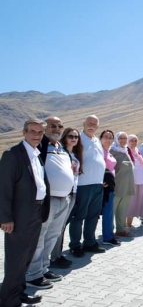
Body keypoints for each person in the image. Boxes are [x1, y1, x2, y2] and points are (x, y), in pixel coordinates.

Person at [0, 119, 50, 306]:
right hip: (19, 216)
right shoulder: (12, 155)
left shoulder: (37, 154)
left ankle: (18, 294)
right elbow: (3, 189)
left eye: (40, 132)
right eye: (33, 131)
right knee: (15, 260)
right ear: (24, 132)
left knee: (26, 258)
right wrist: (5, 217)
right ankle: (8, 300)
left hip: (36, 213)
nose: (37, 135)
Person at [25, 117, 74, 289]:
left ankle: (43, 269)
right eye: (52, 125)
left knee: (53, 236)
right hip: (47, 200)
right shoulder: (41, 145)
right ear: (45, 128)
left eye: (60, 126)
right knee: (40, 237)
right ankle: (32, 275)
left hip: (64, 199)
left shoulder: (61, 147)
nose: (57, 128)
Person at [69, 115, 106, 257]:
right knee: (79, 216)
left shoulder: (96, 140)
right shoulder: (77, 138)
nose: (92, 125)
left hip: (97, 183)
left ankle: (89, 242)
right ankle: (75, 245)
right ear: (83, 124)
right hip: (83, 184)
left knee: (93, 215)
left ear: (97, 126)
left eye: (95, 123)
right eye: (89, 122)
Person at [50, 127, 83, 268]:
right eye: (70, 136)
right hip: (63, 194)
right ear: (65, 137)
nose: (74, 139)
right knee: (56, 227)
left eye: (76, 136)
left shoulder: (74, 154)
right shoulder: (61, 153)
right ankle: (53, 257)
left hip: (73, 192)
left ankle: (57, 254)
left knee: (62, 226)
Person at [109, 132, 135, 238]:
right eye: (120, 138)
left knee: (122, 210)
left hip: (127, 185)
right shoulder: (113, 151)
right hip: (117, 185)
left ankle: (120, 229)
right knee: (112, 210)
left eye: (125, 138)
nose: (123, 140)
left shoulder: (125, 151)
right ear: (116, 139)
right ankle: (109, 231)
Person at [126, 134, 143, 226]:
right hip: (131, 182)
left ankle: (129, 224)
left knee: (136, 202)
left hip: (140, 181)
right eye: (131, 140)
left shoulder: (137, 152)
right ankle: (123, 224)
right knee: (129, 203)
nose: (134, 142)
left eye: (135, 140)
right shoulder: (126, 152)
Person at [99, 130, 117, 245]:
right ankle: (107, 237)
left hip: (110, 184)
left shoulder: (108, 152)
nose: (108, 139)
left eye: (110, 137)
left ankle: (108, 234)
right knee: (107, 211)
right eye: (105, 137)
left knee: (109, 211)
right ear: (100, 138)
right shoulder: (100, 152)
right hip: (105, 185)